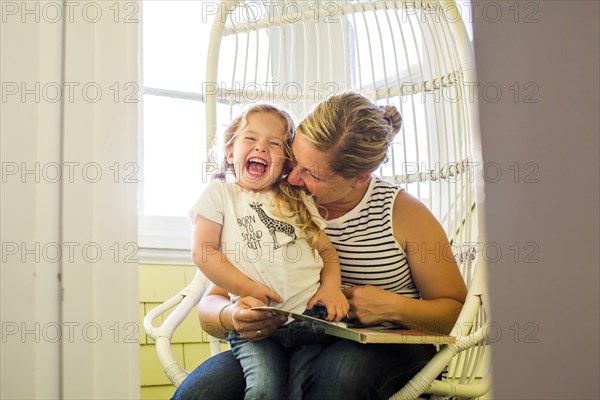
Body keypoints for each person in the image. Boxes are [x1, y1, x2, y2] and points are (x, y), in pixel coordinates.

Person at [173, 91, 468, 400]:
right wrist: (232, 315)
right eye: (295, 161)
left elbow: (457, 315)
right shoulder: (278, 196)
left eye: (311, 173)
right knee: (201, 392)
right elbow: (212, 304)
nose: (294, 178)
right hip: (281, 339)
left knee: (335, 377)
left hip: (390, 345)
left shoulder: (403, 213)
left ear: (359, 178)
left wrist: (392, 306)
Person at [188, 103, 349, 399]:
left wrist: (332, 288)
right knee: (264, 389)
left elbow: (327, 252)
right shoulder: (220, 195)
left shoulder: (298, 200)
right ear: (230, 151)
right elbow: (203, 251)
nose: (261, 147)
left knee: (302, 392)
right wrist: (248, 288)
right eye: (250, 139)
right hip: (257, 325)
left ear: (287, 162)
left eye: (274, 144)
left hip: (311, 320)